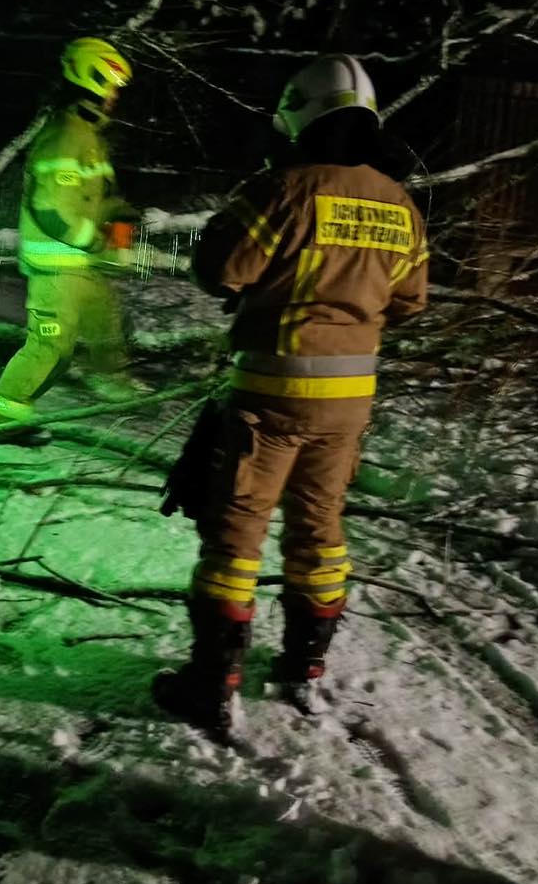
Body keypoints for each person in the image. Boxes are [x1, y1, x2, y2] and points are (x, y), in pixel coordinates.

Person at [153, 53, 429, 737]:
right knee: (321, 531)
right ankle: (304, 665)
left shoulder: (280, 188)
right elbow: (411, 301)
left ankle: (211, 684)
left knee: (237, 535)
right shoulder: (401, 204)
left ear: (299, 116)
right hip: (349, 403)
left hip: (268, 394)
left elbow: (220, 269)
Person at [0, 37, 140, 430]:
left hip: (80, 264)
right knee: (50, 346)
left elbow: (107, 199)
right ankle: (5, 417)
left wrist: (121, 230)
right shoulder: (66, 135)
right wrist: (96, 240)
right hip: (57, 265)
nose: (114, 98)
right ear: (92, 82)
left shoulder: (89, 140)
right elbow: (53, 208)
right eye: (111, 88)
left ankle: (118, 389)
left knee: (105, 326)